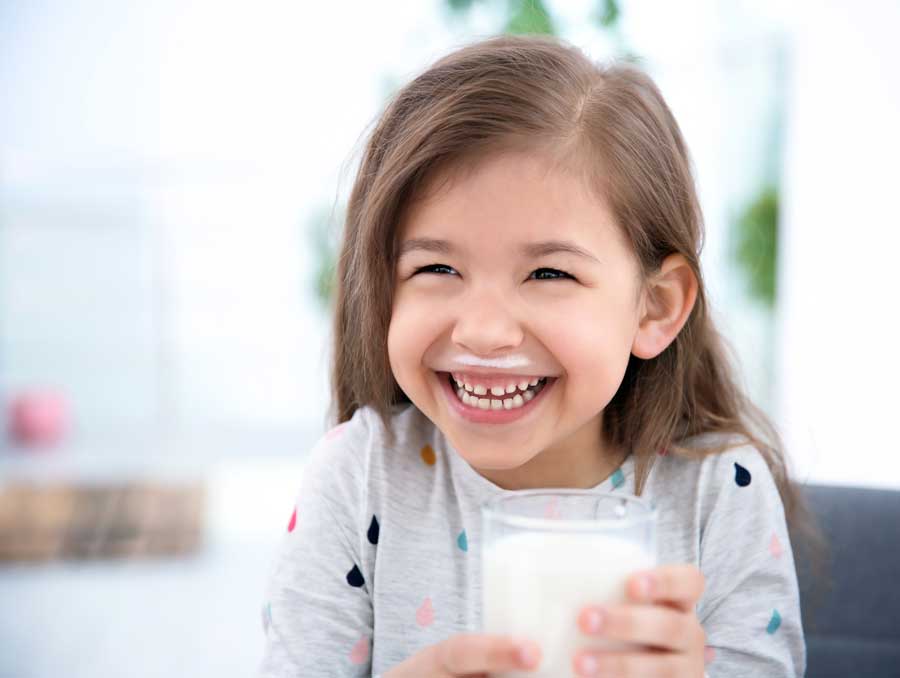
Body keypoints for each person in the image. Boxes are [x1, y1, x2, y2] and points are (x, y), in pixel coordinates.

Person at [259, 34, 808, 677]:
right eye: (436, 266)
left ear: (654, 307)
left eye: (549, 274)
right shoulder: (360, 477)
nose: (485, 332)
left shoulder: (719, 491)